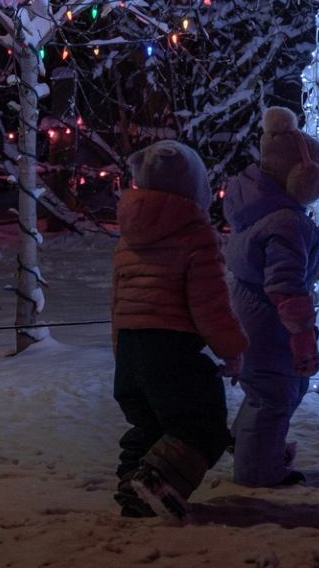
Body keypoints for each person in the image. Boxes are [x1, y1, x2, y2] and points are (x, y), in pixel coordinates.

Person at [110, 140, 247, 521]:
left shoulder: (127, 236)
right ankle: (155, 479)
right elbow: (210, 305)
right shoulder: (195, 235)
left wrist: (121, 351)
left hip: (132, 352)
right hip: (171, 350)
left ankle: (132, 489)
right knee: (202, 423)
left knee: (151, 423)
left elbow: (119, 302)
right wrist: (231, 350)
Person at [225, 106, 319, 486]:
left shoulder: (256, 211)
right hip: (271, 322)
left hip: (251, 312)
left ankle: (253, 444)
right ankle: (257, 470)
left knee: (270, 389)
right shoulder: (287, 222)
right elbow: (286, 285)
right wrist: (302, 335)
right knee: (274, 393)